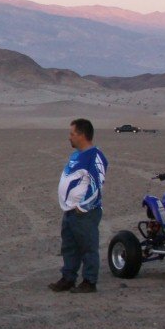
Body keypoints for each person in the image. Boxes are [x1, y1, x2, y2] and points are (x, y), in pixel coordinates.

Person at [50, 118, 106, 294]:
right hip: (70, 211)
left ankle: (89, 281)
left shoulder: (95, 156)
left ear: (82, 135)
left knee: (88, 247)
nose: (69, 137)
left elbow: (97, 184)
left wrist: (82, 206)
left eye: (72, 134)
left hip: (84, 213)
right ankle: (68, 278)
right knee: (69, 247)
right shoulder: (76, 155)